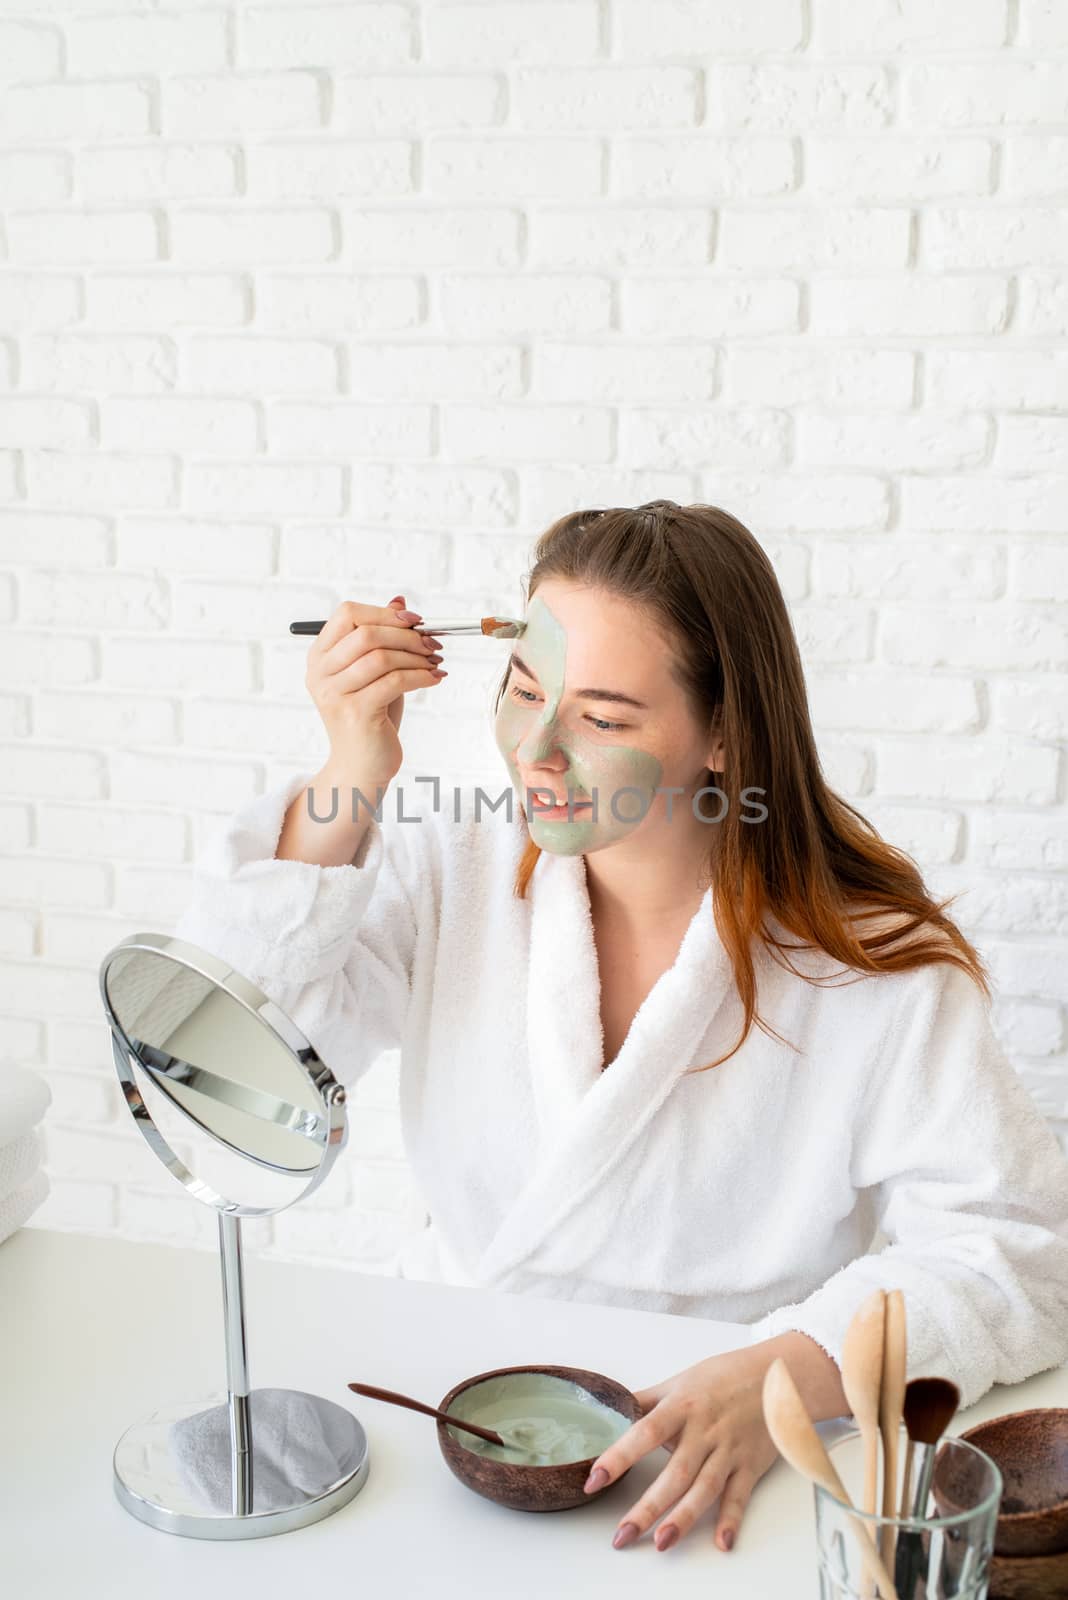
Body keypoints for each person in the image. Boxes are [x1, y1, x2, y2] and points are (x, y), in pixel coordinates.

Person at [175, 499, 1068, 1558]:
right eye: (523, 690)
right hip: (450, 1420)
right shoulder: (450, 869)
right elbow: (230, 1060)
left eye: (603, 719)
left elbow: (1015, 1251)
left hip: (716, 1464)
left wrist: (786, 1365)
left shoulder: (869, 967)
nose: (540, 751)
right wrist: (352, 770)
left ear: (724, 737)